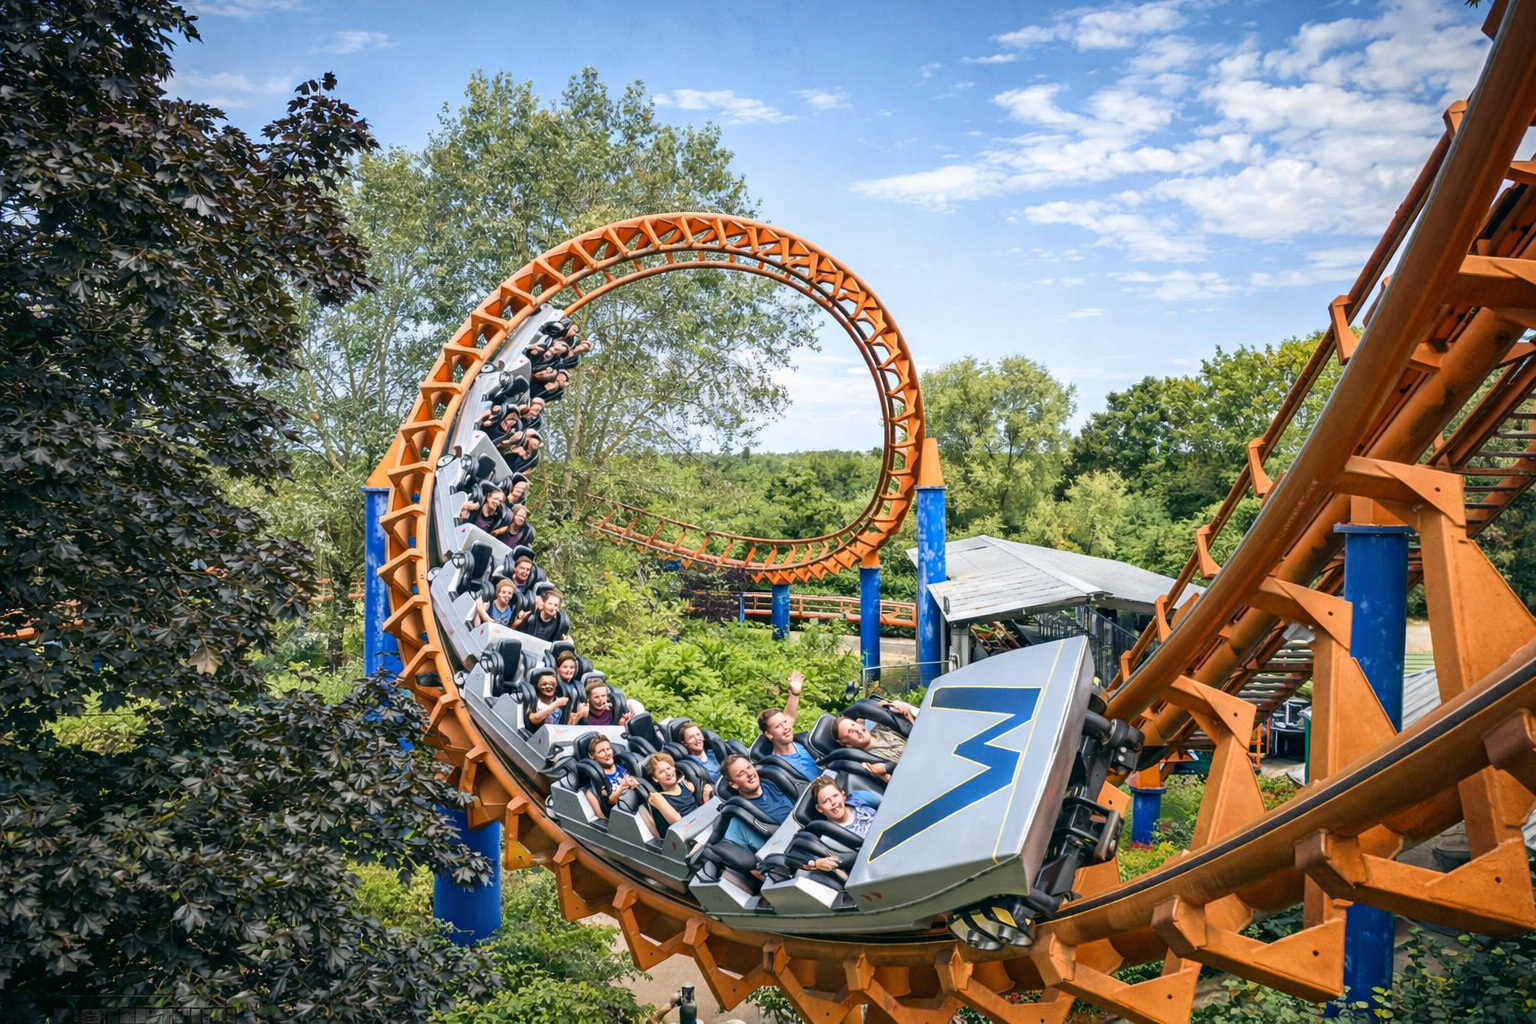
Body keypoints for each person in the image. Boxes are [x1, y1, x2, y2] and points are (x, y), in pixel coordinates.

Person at [801, 777, 883, 879]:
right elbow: (798, 856)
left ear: (843, 795)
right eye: (826, 801)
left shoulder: (860, 798)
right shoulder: (827, 838)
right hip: (876, 868)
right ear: (819, 808)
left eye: (835, 796)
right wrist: (816, 862)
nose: (833, 802)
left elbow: (888, 804)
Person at [719, 753, 794, 854]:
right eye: (741, 774)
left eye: (749, 767)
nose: (749, 774)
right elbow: (735, 854)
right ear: (734, 784)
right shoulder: (740, 817)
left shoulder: (775, 782)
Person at [757, 671, 818, 781]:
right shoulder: (776, 766)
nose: (785, 727)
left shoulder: (798, 744)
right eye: (778, 726)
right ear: (769, 734)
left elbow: (789, 716)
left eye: (784, 722)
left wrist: (794, 693)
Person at [833, 699, 918, 775]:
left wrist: (905, 711)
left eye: (853, 725)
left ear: (859, 723)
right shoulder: (870, 763)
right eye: (850, 732)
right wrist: (885, 770)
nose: (856, 730)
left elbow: (916, 727)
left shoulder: (884, 726)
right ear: (846, 744)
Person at [645, 752, 711, 831]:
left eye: (669, 768)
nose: (668, 773)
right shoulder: (659, 798)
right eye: (662, 772)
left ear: (674, 768)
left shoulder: (685, 786)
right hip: (686, 834)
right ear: (655, 778)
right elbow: (679, 822)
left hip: (703, 825)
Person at [584, 735, 639, 819]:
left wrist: (634, 782)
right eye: (601, 751)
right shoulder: (598, 780)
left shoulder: (622, 766)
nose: (607, 753)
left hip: (638, 804)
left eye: (608, 749)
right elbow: (610, 802)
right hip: (624, 816)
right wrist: (621, 789)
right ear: (592, 756)